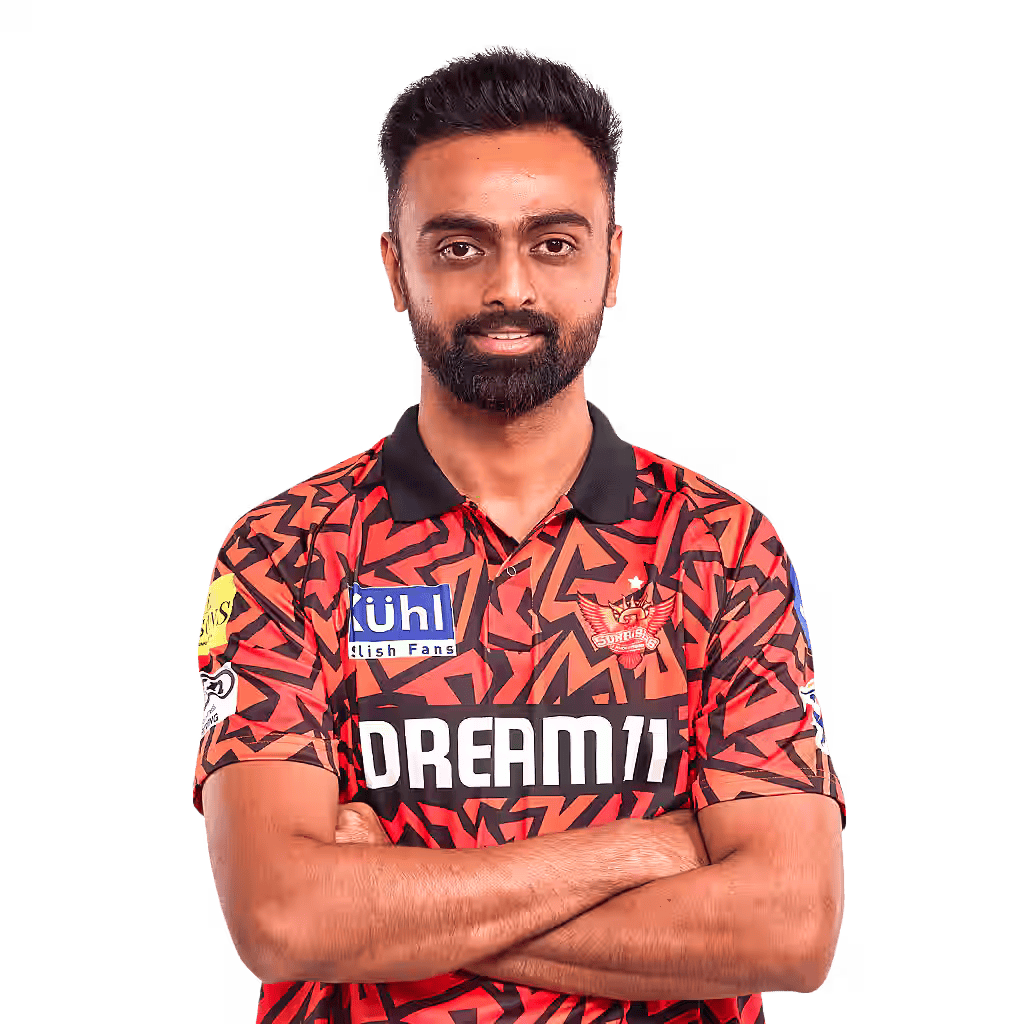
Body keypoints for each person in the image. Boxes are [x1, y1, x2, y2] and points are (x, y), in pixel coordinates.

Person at [193, 44, 848, 1024]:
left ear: (612, 260)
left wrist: (386, 902)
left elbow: (788, 930)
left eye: (553, 244)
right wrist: (648, 849)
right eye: (460, 247)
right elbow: (285, 919)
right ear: (396, 268)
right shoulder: (285, 551)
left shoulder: (721, 548)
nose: (510, 287)